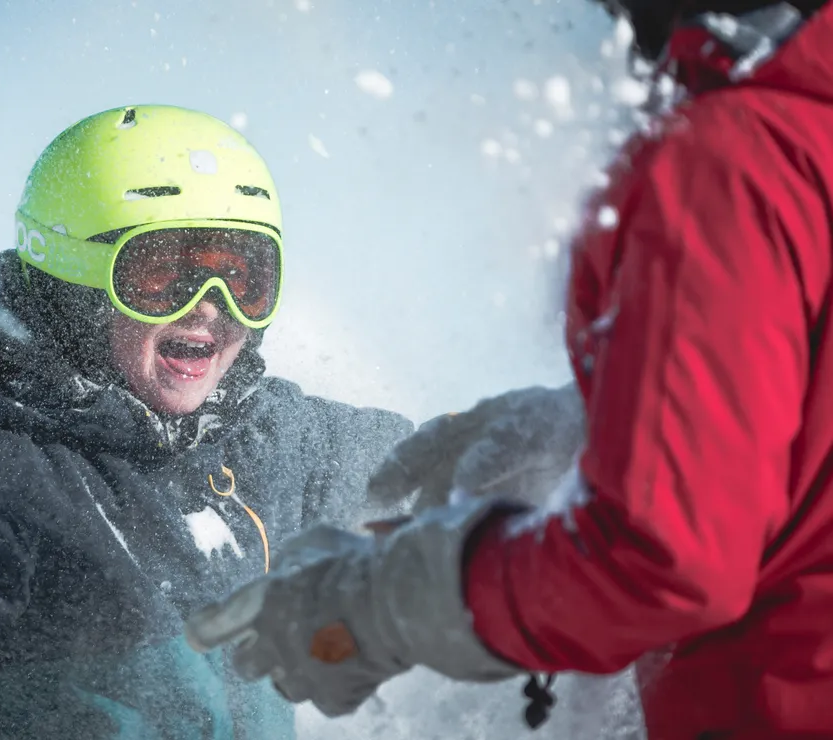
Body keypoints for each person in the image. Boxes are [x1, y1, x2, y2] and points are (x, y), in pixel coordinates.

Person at [184, 2, 833, 738]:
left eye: (243, 280)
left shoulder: (737, 155)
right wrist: (594, 423)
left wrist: (384, 603)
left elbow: (663, 560)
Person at [0, 104, 415, 740]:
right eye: (160, 277)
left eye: (242, 279)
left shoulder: (269, 440)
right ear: (76, 290)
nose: (210, 309)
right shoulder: (4, 476)